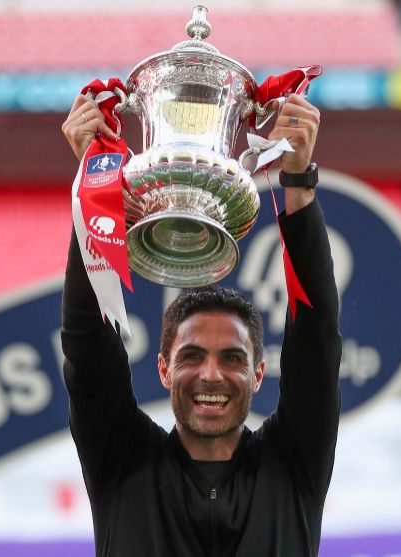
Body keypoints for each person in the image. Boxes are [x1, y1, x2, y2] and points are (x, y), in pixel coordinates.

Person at [60, 91, 342, 556]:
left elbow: (317, 339)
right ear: (164, 368)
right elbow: (88, 344)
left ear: (257, 374)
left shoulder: (293, 464)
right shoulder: (122, 460)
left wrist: (297, 182)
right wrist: (95, 187)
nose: (211, 374)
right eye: (192, 356)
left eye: (231, 358)